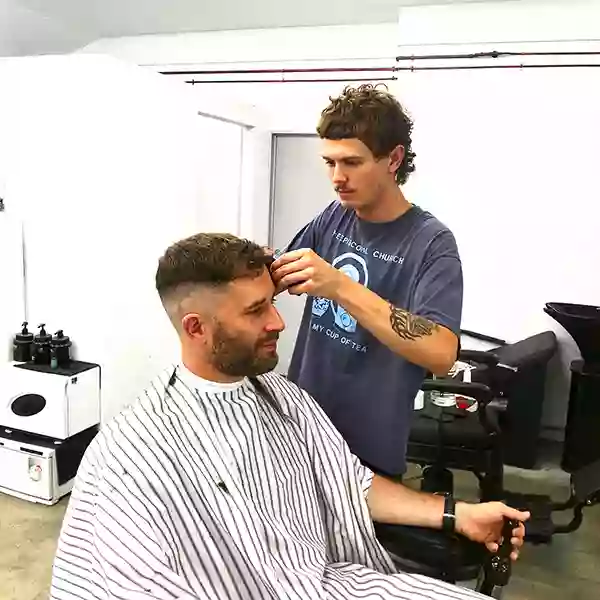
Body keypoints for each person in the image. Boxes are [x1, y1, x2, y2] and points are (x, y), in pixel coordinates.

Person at [50, 232, 528, 600]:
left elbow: (350, 485)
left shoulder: (286, 399)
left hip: (336, 585)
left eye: (273, 303)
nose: (278, 322)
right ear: (196, 328)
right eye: (256, 310)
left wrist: (458, 513)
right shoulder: (129, 455)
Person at [270, 83, 463, 477]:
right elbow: (277, 273)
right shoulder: (335, 215)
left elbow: (442, 353)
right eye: (329, 162)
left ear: (394, 159)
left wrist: (340, 286)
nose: (337, 177)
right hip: (301, 428)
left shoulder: (431, 243)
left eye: (352, 163)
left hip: (366, 449)